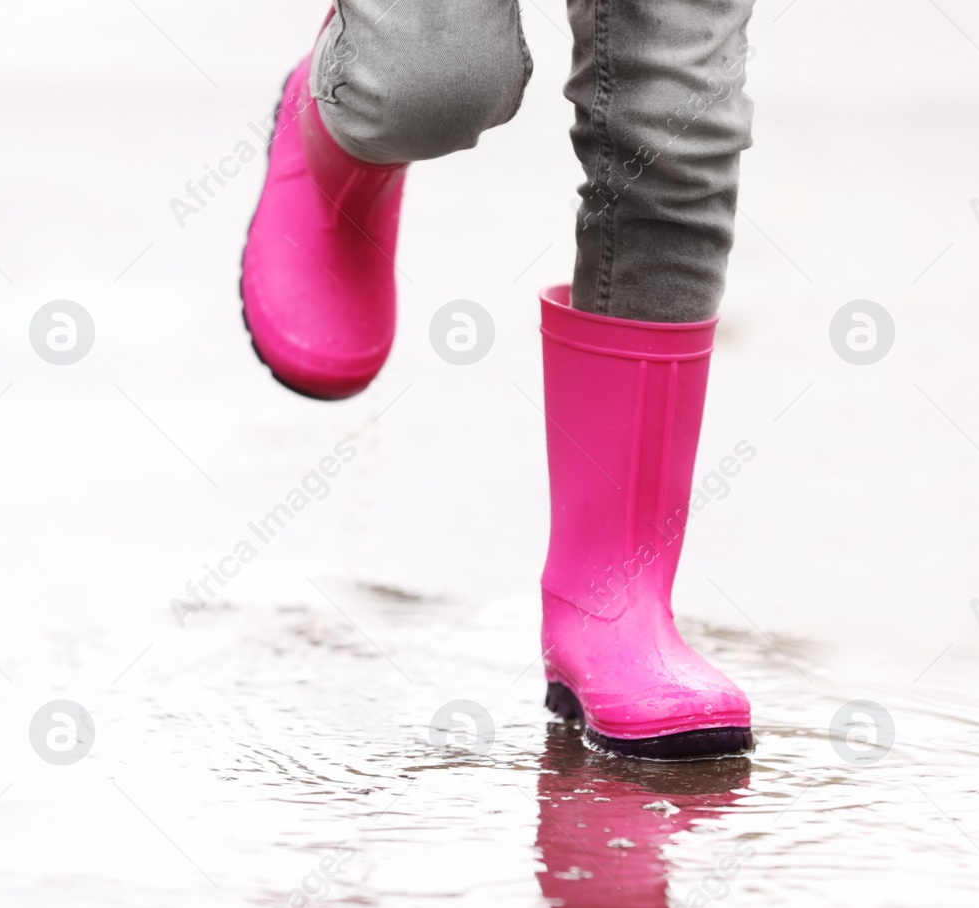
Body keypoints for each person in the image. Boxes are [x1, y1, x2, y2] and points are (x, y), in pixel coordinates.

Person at [240, 0, 757, 759]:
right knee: (427, 84)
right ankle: (337, 121)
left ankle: (615, 606)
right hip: (402, 93)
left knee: (676, 131)